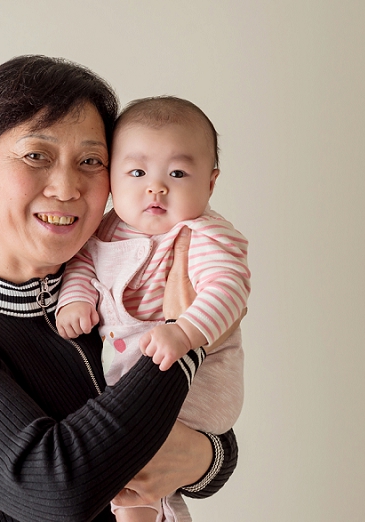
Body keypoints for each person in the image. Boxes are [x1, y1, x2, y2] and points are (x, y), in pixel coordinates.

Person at [0, 55, 239, 522]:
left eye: (91, 161)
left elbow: (210, 438)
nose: (67, 187)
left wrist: (205, 458)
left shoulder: (107, 293)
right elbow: (57, 491)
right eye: (36, 156)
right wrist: (184, 341)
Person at [56, 97, 249, 522]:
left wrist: (185, 331)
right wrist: (75, 297)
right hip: (128, 371)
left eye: (177, 173)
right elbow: (84, 264)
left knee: (138, 457)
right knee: (131, 469)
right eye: (137, 172)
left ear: (211, 184)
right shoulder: (106, 227)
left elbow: (229, 289)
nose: (155, 187)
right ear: (112, 179)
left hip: (198, 378)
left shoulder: (202, 234)